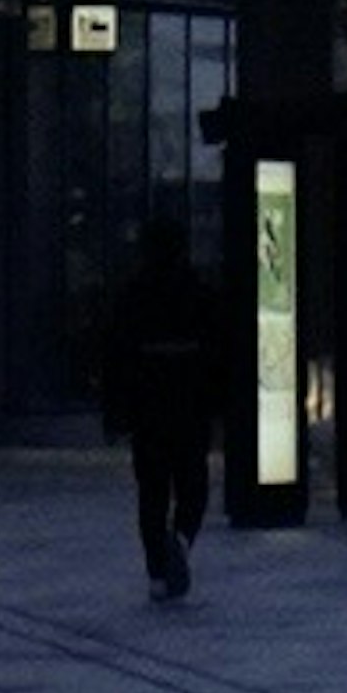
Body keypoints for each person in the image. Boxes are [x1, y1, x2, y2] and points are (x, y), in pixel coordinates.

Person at [98, 206, 221, 599]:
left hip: (147, 406)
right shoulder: (199, 293)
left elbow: (115, 355)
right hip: (189, 404)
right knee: (192, 484)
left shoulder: (133, 297)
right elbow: (218, 351)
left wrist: (115, 411)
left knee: (151, 490)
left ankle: (156, 570)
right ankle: (182, 537)